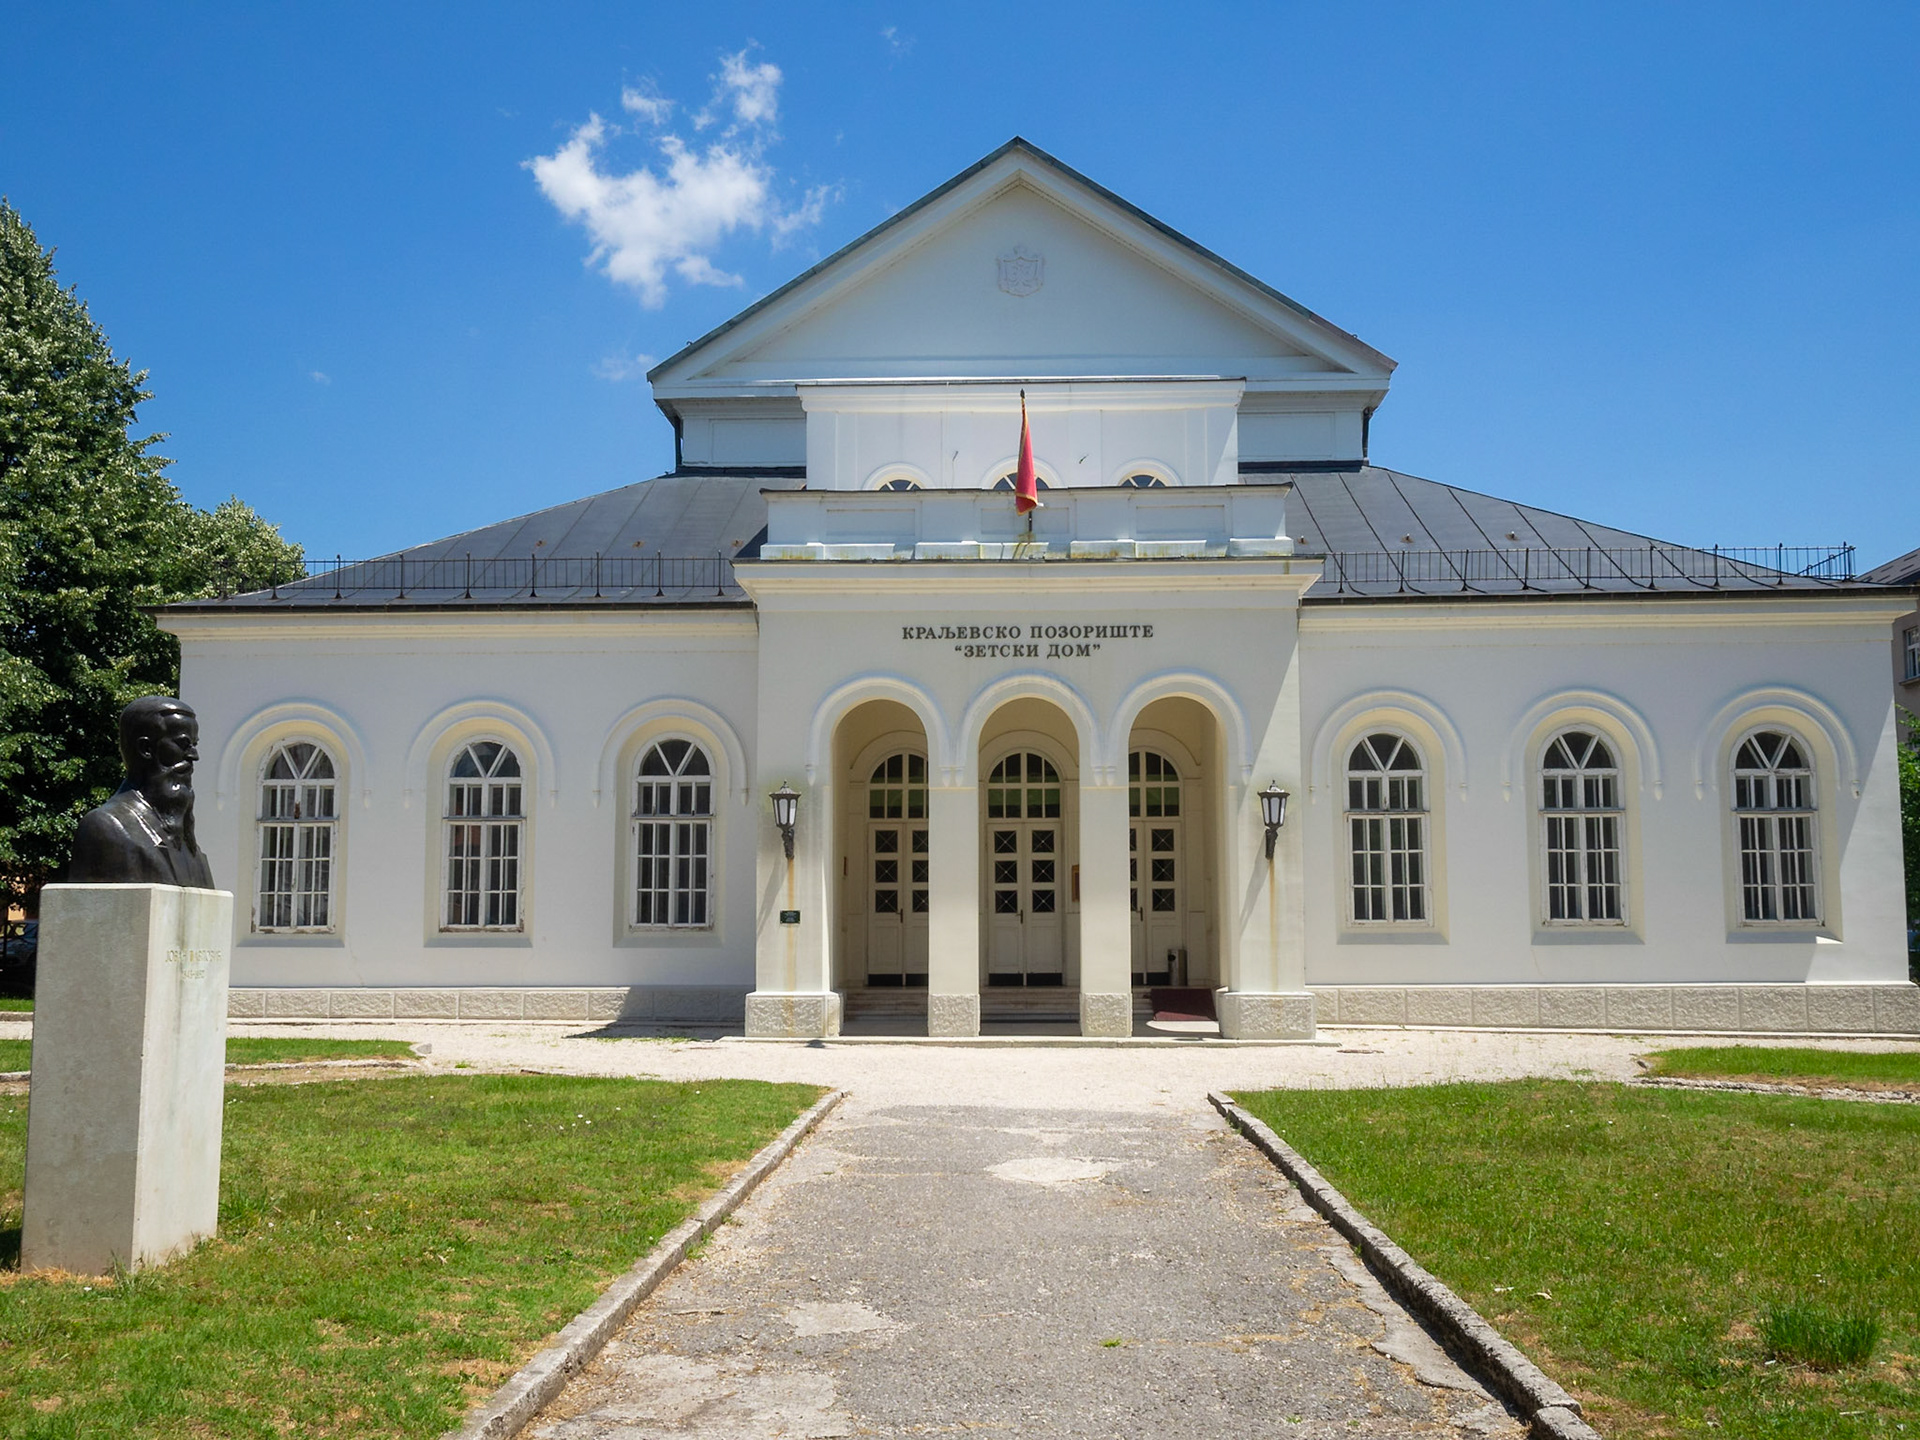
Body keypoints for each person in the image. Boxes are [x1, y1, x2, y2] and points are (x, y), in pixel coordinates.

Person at [67, 696, 216, 888]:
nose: (193, 756)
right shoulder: (106, 828)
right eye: (182, 744)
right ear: (146, 749)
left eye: (194, 745)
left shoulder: (190, 848)